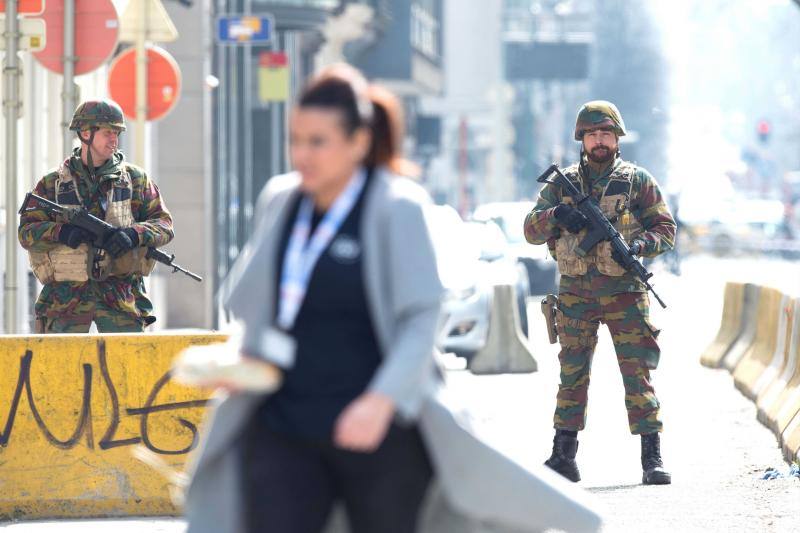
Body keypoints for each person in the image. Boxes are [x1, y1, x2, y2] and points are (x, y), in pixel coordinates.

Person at [524, 101, 676, 485]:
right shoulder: (562, 183)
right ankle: (563, 456)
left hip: (624, 292)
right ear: (582, 139)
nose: (599, 141)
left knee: (637, 373)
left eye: (606, 134)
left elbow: (665, 228)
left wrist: (639, 247)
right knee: (572, 375)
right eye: (592, 135)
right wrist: (556, 215)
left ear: (617, 138)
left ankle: (651, 458)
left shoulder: (637, 180)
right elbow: (529, 230)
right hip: (575, 294)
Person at [18, 99, 174, 333]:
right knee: (61, 368)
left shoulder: (134, 179)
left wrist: (133, 235)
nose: (114, 139)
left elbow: (164, 225)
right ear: (85, 133)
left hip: (120, 301)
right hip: (64, 302)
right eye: (108, 132)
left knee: (123, 367)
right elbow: (26, 233)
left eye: (117, 133)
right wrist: (61, 232)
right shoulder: (53, 182)